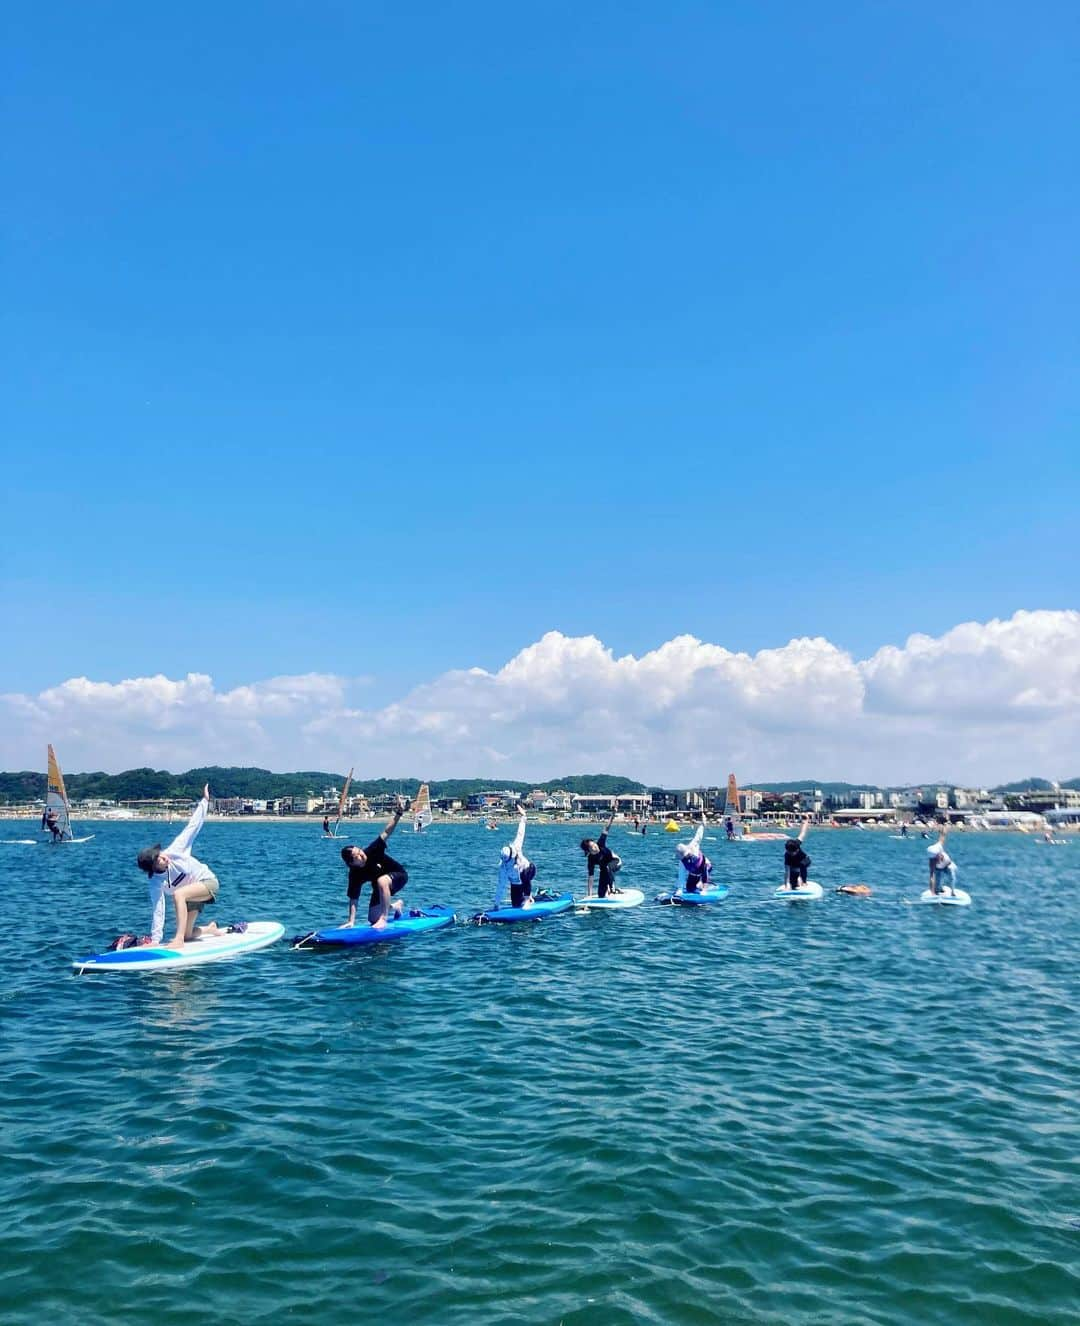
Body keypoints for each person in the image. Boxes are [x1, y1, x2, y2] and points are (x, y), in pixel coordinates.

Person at [137, 784, 223, 948]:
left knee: (178, 894)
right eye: (158, 860)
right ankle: (209, 929)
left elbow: (193, 826)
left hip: (207, 882)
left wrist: (205, 801)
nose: (163, 857)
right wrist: (155, 940)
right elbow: (158, 909)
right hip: (190, 894)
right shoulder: (155, 883)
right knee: (188, 934)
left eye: (160, 854)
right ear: (153, 868)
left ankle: (178, 941)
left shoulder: (175, 850)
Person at [340, 798, 409, 928]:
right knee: (372, 918)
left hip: (399, 876)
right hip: (381, 887)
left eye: (359, 850)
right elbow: (354, 899)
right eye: (357, 856)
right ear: (352, 863)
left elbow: (387, 831)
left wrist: (399, 813)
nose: (362, 854)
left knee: (381, 880)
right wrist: (351, 921)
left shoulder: (373, 850)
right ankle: (396, 906)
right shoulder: (355, 874)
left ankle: (384, 918)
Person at [493, 805, 536, 909]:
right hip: (516, 882)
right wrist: (496, 905)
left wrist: (523, 816)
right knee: (516, 905)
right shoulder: (503, 868)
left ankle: (527, 900)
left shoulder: (516, 846)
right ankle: (529, 898)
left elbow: (521, 832)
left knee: (525, 874)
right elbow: (501, 886)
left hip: (528, 870)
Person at [580, 806, 622, 898]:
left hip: (616, 862)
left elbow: (607, 827)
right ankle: (609, 890)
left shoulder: (601, 843)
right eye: (592, 847)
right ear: (589, 851)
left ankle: (613, 890)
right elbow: (590, 878)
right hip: (605, 869)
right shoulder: (591, 859)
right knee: (601, 895)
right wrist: (589, 895)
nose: (595, 847)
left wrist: (613, 813)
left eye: (594, 844)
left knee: (607, 867)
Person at [676, 815, 713, 893]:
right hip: (694, 872)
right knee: (690, 889)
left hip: (705, 867)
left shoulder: (693, 846)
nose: (685, 857)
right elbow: (681, 875)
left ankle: (705, 886)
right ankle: (698, 884)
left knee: (704, 872)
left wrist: (703, 824)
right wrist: (679, 889)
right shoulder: (682, 861)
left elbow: (698, 836)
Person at [927, 825, 958, 896]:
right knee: (937, 885)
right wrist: (932, 893)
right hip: (939, 869)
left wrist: (944, 828)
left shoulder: (939, 846)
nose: (936, 859)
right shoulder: (932, 862)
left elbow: (943, 836)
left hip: (948, 865)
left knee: (951, 874)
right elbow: (931, 876)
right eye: (935, 858)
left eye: (937, 856)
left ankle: (952, 892)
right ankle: (938, 889)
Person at [782, 817, 812, 890]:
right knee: (794, 883)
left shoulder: (796, 843)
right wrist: (786, 885)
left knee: (802, 864)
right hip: (794, 865)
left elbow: (803, 832)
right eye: (790, 852)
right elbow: (787, 872)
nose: (792, 854)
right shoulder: (787, 856)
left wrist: (806, 822)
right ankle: (798, 880)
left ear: (797, 849)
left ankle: (804, 882)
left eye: (793, 852)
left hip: (805, 861)